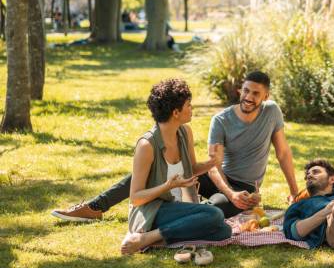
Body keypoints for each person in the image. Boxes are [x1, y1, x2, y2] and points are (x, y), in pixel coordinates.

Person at [52, 71, 299, 221]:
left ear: (265, 96)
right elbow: (213, 167)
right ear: (240, 90)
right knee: (147, 172)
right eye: (246, 90)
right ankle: (96, 206)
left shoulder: (272, 112)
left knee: (218, 209)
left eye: (256, 93)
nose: (248, 97)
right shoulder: (222, 120)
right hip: (219, 179)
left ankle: (188, 210)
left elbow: (283, 153)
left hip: (245, 185)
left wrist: (294, 192)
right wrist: (229, 192)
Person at [120, 79, 231, 255]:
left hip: (175, 207)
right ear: (176, 112)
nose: (192, 108)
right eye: (188, 105)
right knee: (215, 215)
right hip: (151, 211)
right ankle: (147, 238)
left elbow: (192, 168)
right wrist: (168, 186)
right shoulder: (147, 146)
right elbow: (136, 198)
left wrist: (212, 163)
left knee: (224, 231)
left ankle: (160, 238)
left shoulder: (185, 132)